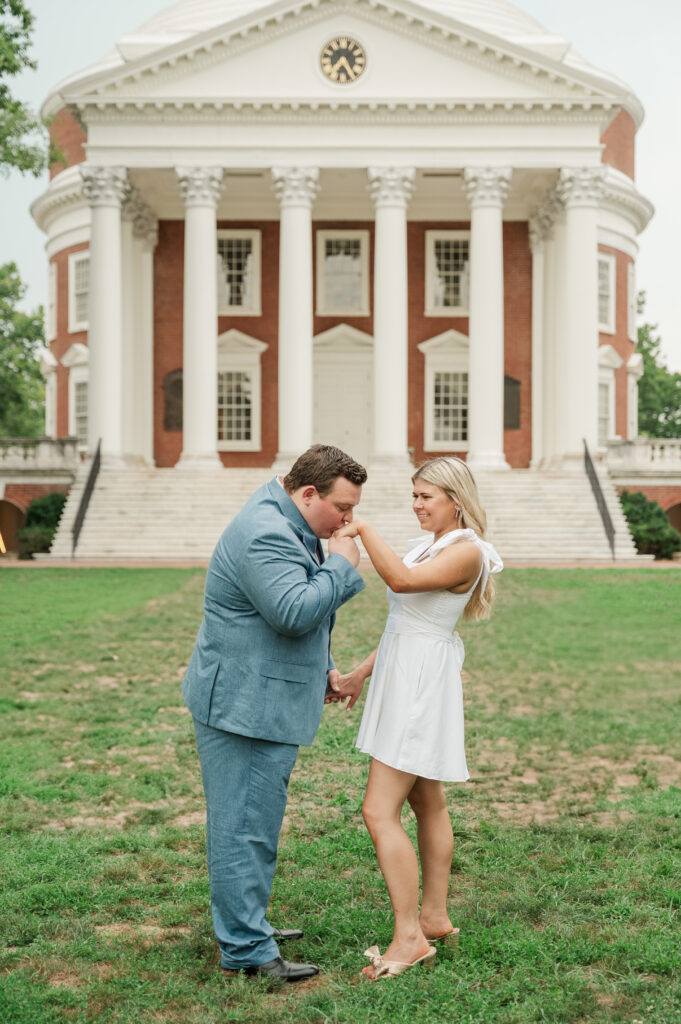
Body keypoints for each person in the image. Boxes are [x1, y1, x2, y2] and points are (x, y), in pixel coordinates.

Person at [182, 445, 367, 981]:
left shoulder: (285, 515)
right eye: (342, 508)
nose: (348, 521)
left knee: (252, 822)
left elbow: (288, 610)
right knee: (244, 827)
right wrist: (342, 566)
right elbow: (291, 611)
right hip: (243, 704)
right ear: (307, 493)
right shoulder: (265, 530)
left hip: (257, 692)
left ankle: (246, 922)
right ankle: (244, 950)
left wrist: (324, 668)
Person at [334, 456, 503, 980]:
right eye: (413, 495)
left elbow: (403, 584)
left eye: (426, 496)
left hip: (419, 685)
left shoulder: (468, 552)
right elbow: (402, 623)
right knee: (426, 799)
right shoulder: (429, 545)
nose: (417, 505)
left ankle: (409, 938)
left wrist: (362, 527)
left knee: (378, 811)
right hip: (402, 672)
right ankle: (433, 916)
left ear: (456, 499)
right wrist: (363, 672)